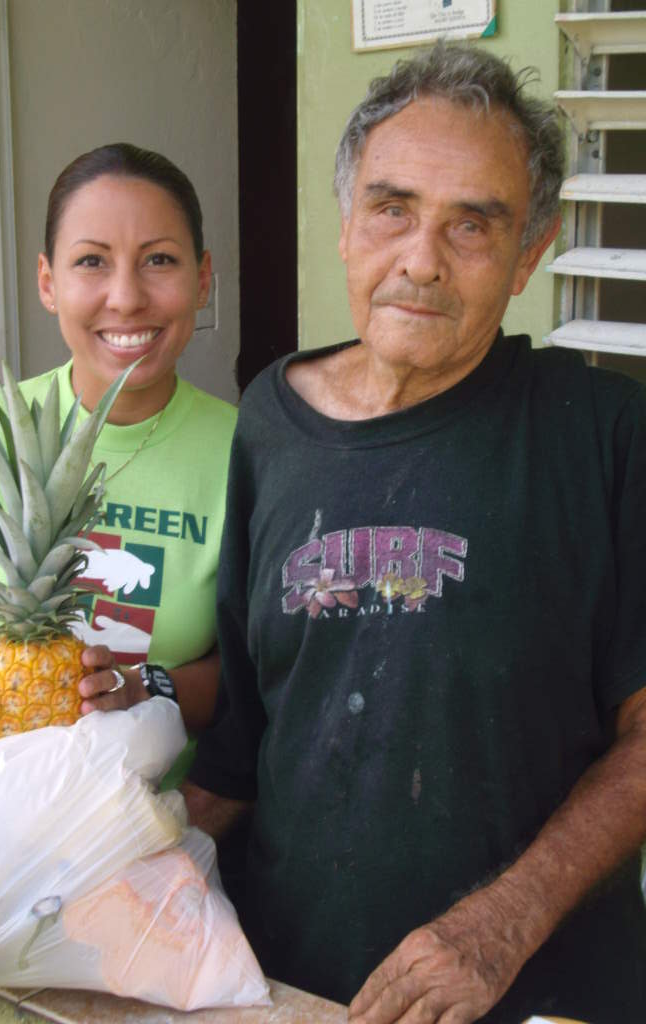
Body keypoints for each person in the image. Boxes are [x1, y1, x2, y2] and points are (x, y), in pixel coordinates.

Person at [184, 43, 646, 1022]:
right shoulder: (270, 416)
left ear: (529, 255)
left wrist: (499, 926)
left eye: (473, 224)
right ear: (348, 226)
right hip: (289, 980)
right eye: (393, 208)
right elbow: (247, 735)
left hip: (535, 990)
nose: (422, 259)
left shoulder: (606, 434)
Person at [0, 143, 237, 783]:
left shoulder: (250, 451)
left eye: (159, 260)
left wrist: (144, 685)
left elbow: (252, 675)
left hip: (159, 821)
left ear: (203, 278)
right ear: (48, 282)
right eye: (91, 262)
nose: (126, 298)